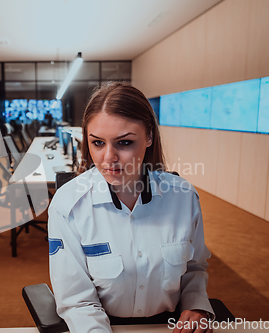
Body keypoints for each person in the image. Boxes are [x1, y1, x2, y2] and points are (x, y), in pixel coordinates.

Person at [48, 83, 214, 333]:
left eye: (124, 143)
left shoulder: (184, 197)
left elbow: (194, 267)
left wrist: (196, 304)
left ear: (149, 137)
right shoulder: (68, 205)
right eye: (98, 143)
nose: (108, 158)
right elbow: (77, 301)